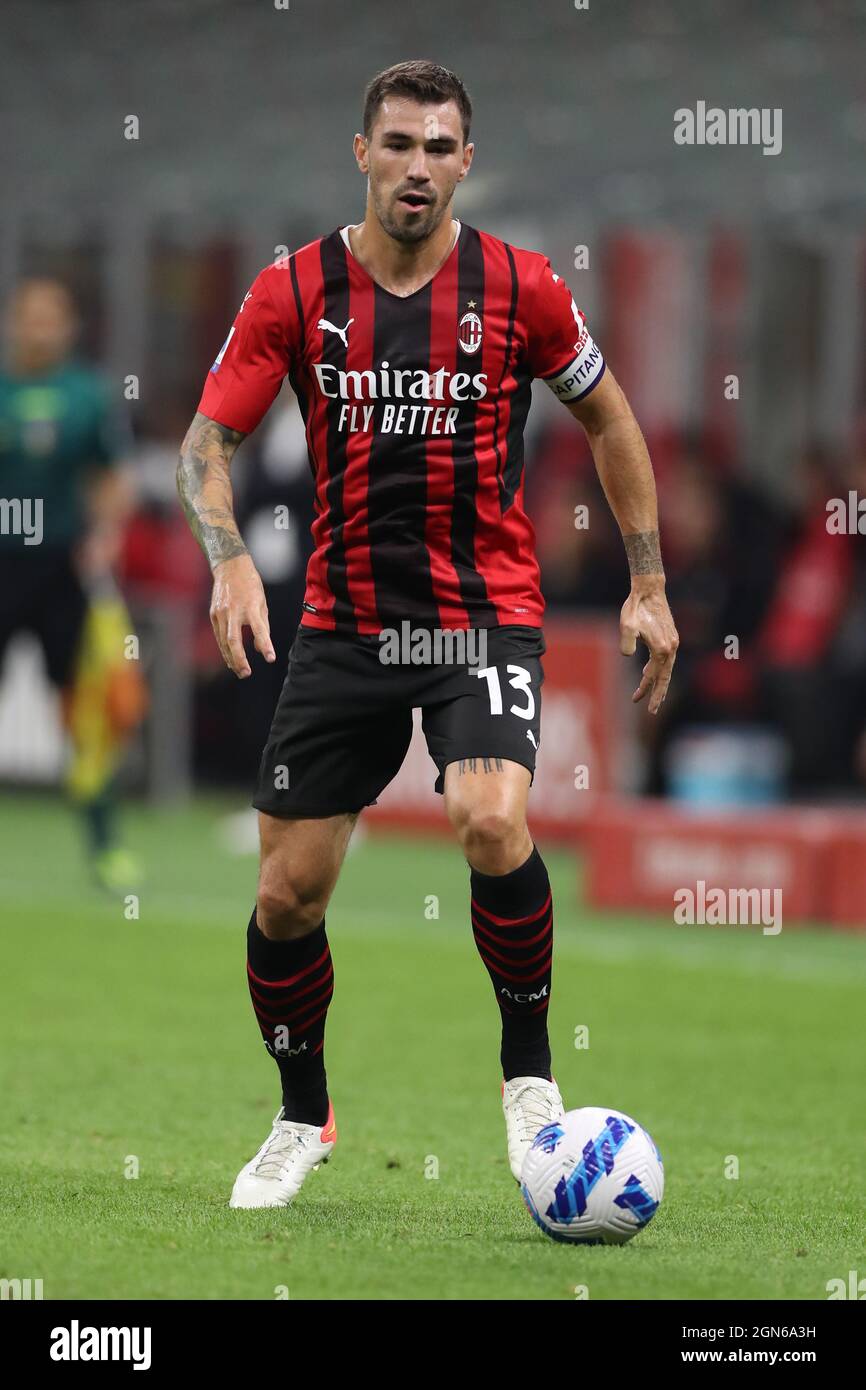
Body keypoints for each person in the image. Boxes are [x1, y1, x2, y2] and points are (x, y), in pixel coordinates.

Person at [177, 60, 679, 1208]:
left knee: (489, 817)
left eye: (438, 147)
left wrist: (647, 582)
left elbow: (607, 416)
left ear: (467, 161)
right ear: (361, 154)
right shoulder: (291, 290)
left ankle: (528, 1081)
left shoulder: (523, 287)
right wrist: (227, 558)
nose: (416, 167)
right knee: (284, 897)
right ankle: (301, 1116)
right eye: (396, 144)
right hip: (343, 624)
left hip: (477, 612)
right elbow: (203, 447)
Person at [0, 278, 141, 890]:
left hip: (62, 569)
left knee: (83, 714)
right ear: (13, 323)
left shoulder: (88, 396)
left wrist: (106, 533)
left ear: (69, 326)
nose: (38, 328)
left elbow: (114, 476)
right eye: (28, 317)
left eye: (50, 317)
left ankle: (105, 847)